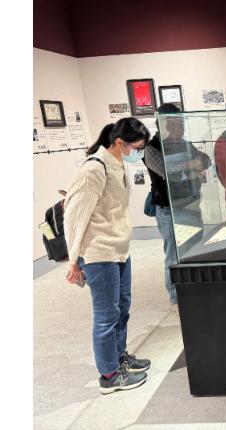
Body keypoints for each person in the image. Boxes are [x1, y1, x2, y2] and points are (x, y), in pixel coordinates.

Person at [63, 117, 152, 394]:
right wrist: (74, 260)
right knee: (106, 315)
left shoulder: (118, 163)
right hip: (99, 252)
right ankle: (109, 375)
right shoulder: (94, 168)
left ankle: (119, 357)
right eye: (137, 147)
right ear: (120, 142)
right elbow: (74, 217)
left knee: (122, 308)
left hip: (119, 249)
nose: (139, 152)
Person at [143, 103, 211, 312]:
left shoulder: (185, 144)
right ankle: (176, 297)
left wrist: (197, 164)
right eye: (172, 124)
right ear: (162, 125)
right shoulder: (152, 148)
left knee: (194, 249)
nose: (177, 128)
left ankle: (195, 288)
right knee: (174, 254)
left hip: (191, 204)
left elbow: (206, 160)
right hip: (169, 210)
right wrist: (191, 167)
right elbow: (167, 172)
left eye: (180, 123)